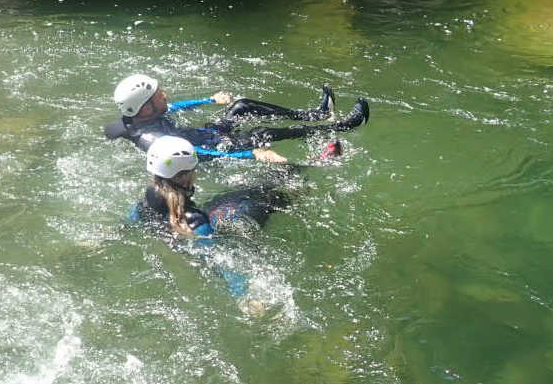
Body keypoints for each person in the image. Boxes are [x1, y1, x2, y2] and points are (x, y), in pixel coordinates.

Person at [128, 135, 293, 301]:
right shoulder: (195, 221)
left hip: (183, 242)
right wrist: (244, 297)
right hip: (234, 220)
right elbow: (220, 263)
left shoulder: (144, 204)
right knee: (268, 195)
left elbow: (129, 224)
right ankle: (293, 185)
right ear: (187, 176)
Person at [105, 74, 369, 162]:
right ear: (145, 110)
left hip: (209, 134)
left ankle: (317, 114)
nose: (164, 94)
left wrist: (209, 100)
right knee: (262, 135)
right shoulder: (154, 139)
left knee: (241, 105)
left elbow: (172, 107)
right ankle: (343, 126)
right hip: (213, 150)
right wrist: (250, 155)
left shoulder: (141, 115)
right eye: (158, 95)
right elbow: (196, 154)